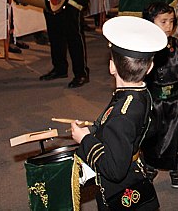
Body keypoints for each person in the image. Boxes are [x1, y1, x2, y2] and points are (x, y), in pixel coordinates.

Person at [71, 16, 167, 210]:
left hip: (121, 190)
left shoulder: (123, 113)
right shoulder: (141, 94)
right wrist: (98, 130)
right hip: (134, 167)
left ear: (112, 67)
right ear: (149, 67)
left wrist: (85, 140)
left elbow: (114, 170)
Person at [141, 2, 178, 188]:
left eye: (171, 21)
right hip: (154, 102)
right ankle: (150, 166)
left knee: (177, 139)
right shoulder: (145, 48)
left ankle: (176, 169)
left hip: (176, 102)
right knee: (151, 137)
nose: (168, 26)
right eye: (163, 21)